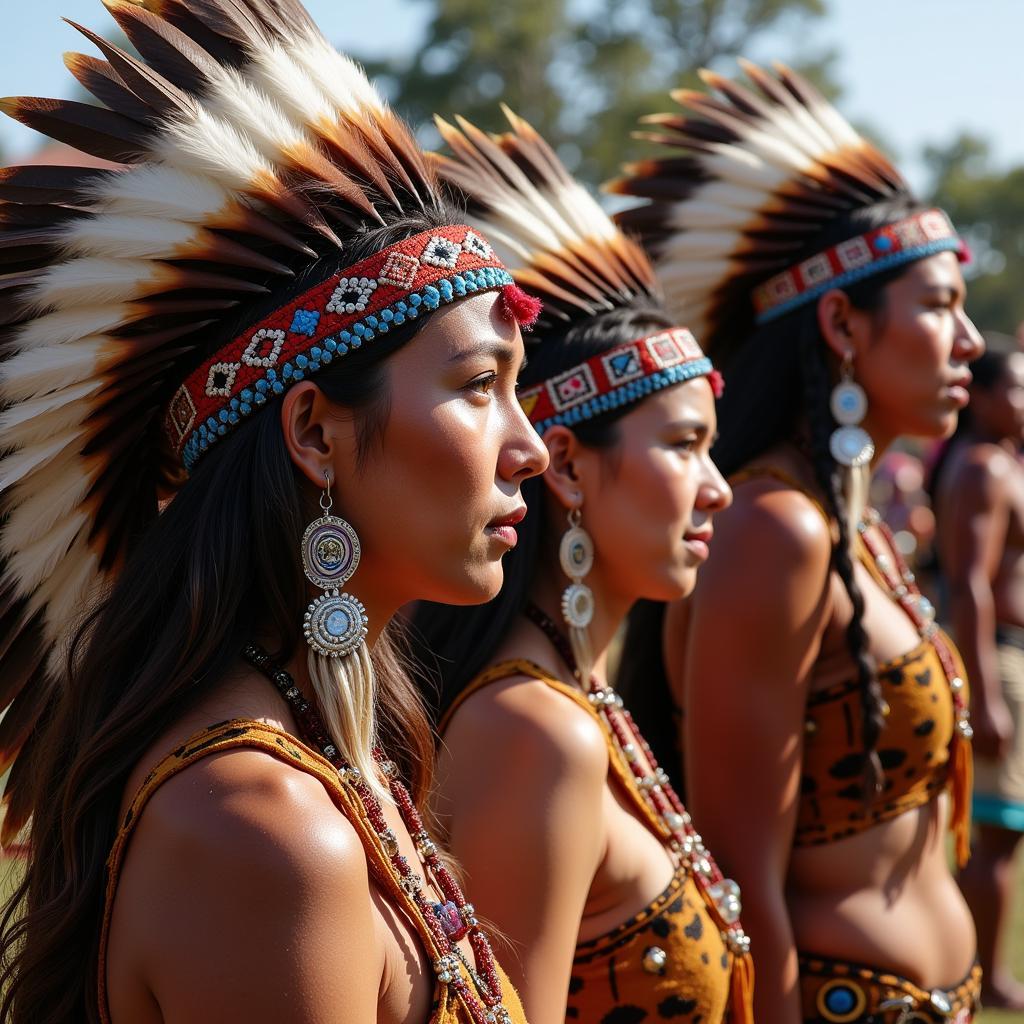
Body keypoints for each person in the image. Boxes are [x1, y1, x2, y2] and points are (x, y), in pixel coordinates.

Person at [0, 1, 549, 1020]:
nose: (531, 445)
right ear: (313, 433)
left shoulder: (336, 766)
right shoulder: (263, 828)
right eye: (480, 386)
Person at [612, 61, 985, 1022]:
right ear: (842, 323)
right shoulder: (771, 529)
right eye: (940, 305)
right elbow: (743, 880)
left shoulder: (846, 519)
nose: (970, 341)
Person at [411, 107, 754, 1024]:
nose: (717, 489)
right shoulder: (533, 730)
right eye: (685, 446)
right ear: (564, 465)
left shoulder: (574, 697)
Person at [933, 333, 1024, 1009]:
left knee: (1005, 832)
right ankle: (984, 976)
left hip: (1011, 657)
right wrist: (985, 693)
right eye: (1015, 388)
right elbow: (970, 583)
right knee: (994, 830)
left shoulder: (1003, 462)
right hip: (998, 660)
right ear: (983, 397)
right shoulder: (982, 470)